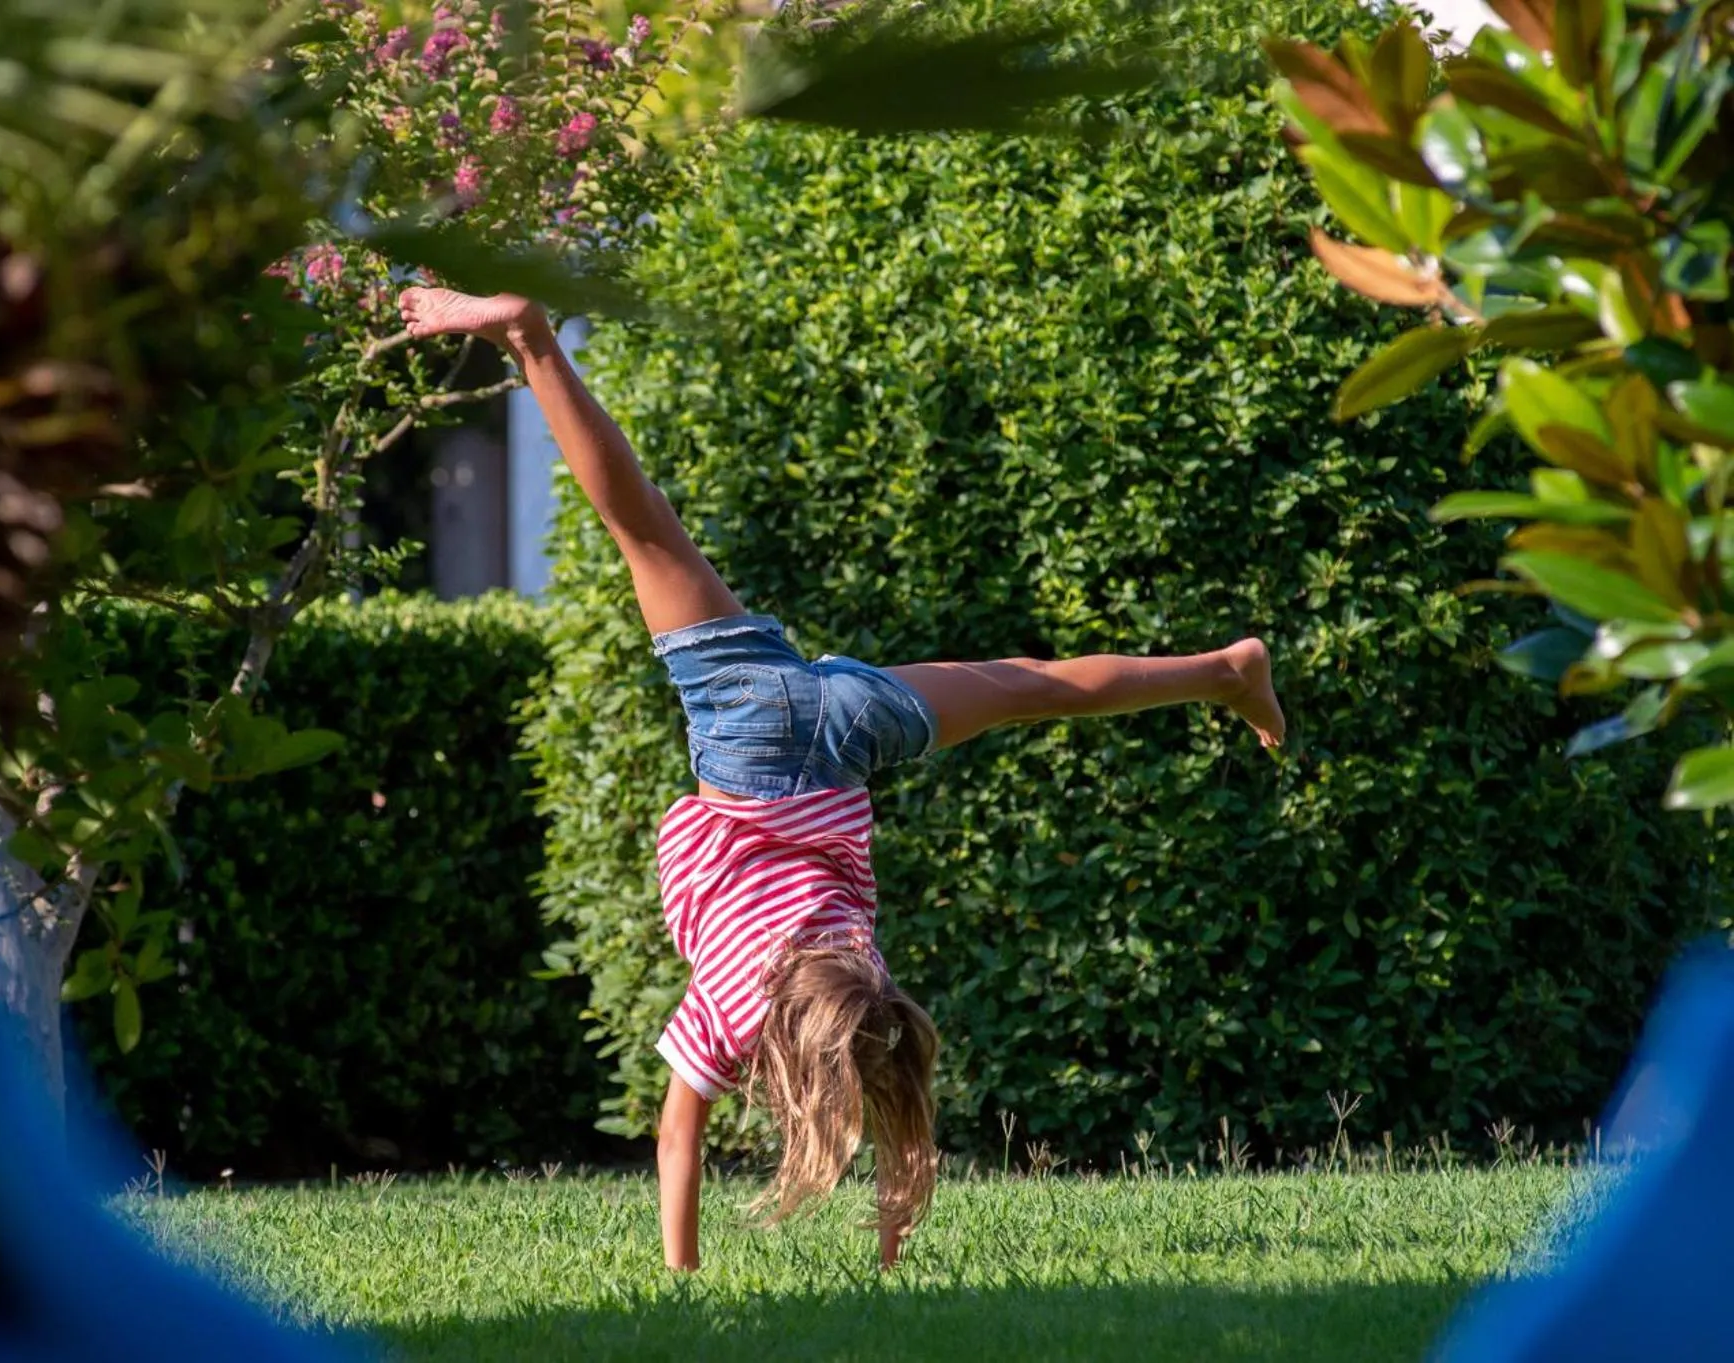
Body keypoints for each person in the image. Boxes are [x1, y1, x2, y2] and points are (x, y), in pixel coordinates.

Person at [398, 287, 1288, 1271]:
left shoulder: (867, 984)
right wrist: (681, 1274)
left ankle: (1223, 670)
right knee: (640, 527)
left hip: (848, 733)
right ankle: (529, 337)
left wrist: (889, 1264)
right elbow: (675, 1134)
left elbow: (905, 1131)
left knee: (1032, 686)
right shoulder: (744, 1001)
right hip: (749, 737)